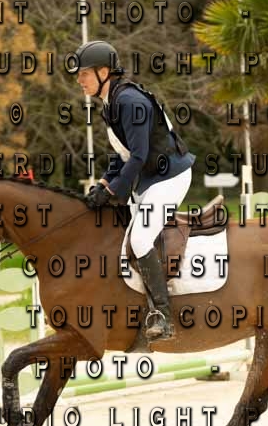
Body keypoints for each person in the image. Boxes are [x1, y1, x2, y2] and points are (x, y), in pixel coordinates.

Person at [74, 40, 195, 344]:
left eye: (84, 73)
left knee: (139, 238)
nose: (79, 80)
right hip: (149, 179)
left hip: (169, 177)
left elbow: (139, 156)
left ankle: (163, 316)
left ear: (104, 72)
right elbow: (123, 156)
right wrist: (104, 184)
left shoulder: (129, 102)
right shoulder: (111, 102)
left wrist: (113, 191)